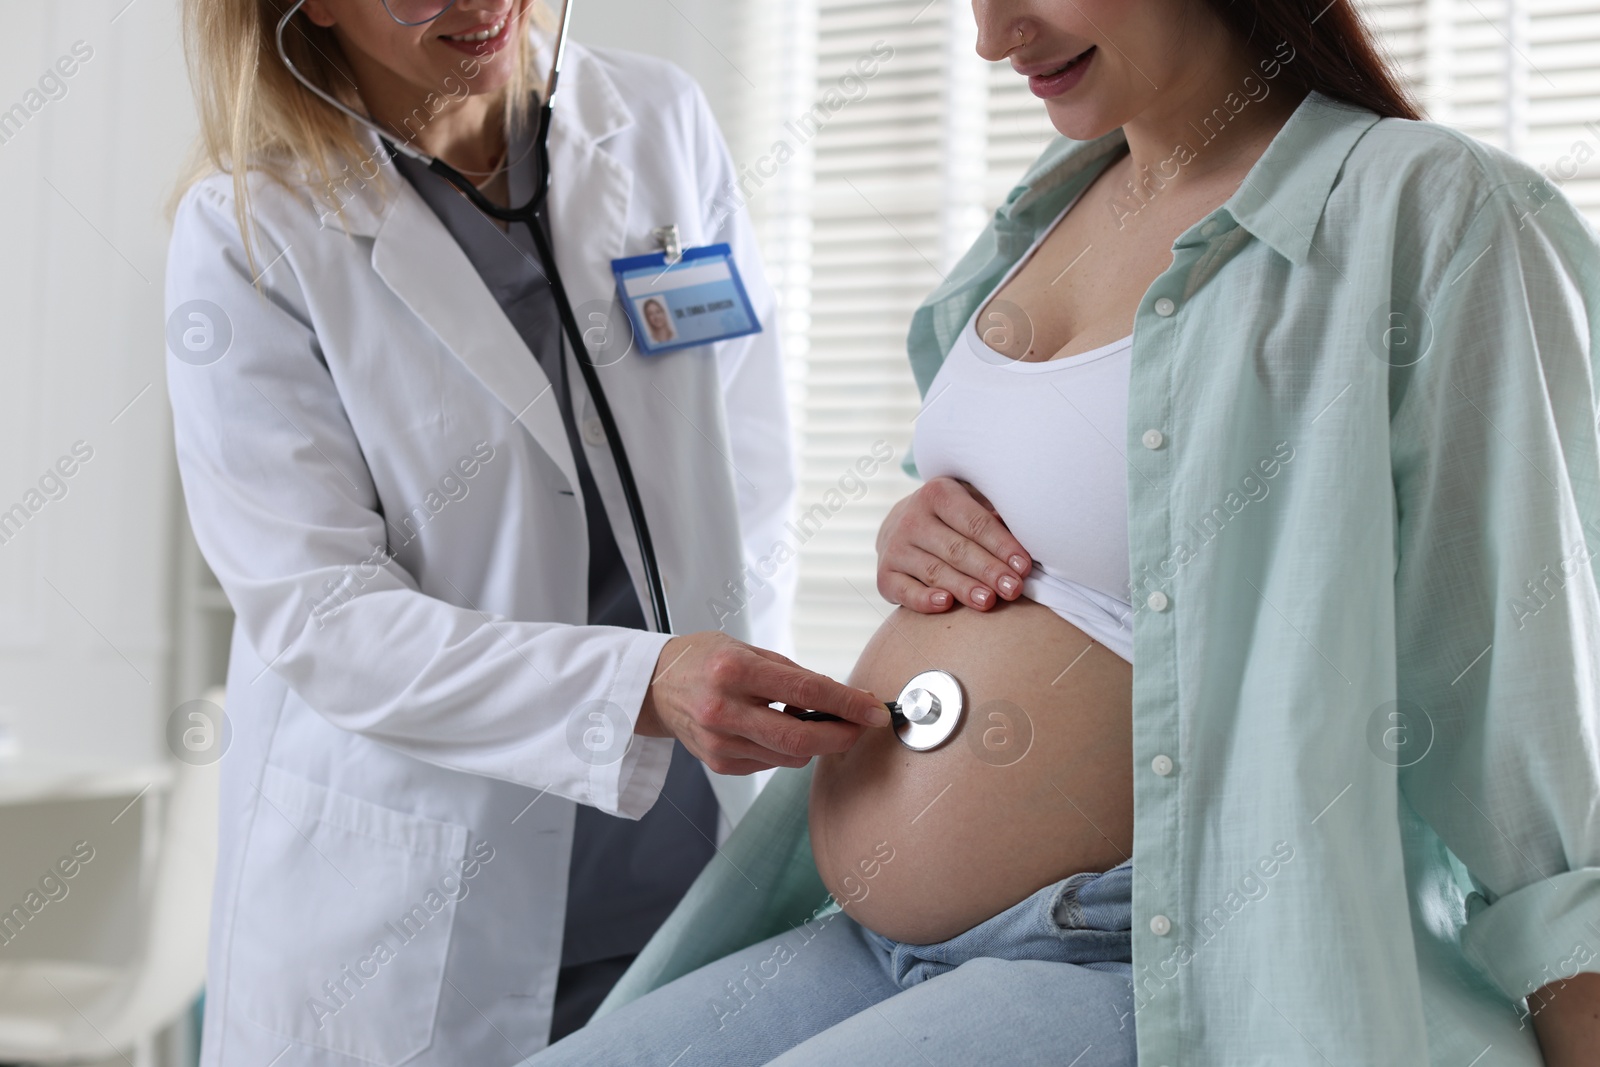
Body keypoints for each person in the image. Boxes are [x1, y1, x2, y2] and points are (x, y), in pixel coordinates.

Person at [523, 0, 1600, 1064]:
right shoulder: (1054, 201)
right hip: (866, 935)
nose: (994, 38)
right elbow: (1080, 519)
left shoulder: (1422, 208)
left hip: (1147, 952)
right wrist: (915, 527)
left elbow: (1526, 661)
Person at [163, 0, 889, 1063]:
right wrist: (642, 684)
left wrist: (731, 669)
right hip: (417, 910)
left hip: (684, 867)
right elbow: (322, 614)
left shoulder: (653, 120)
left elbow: (750, 453)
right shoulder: (251, 228)